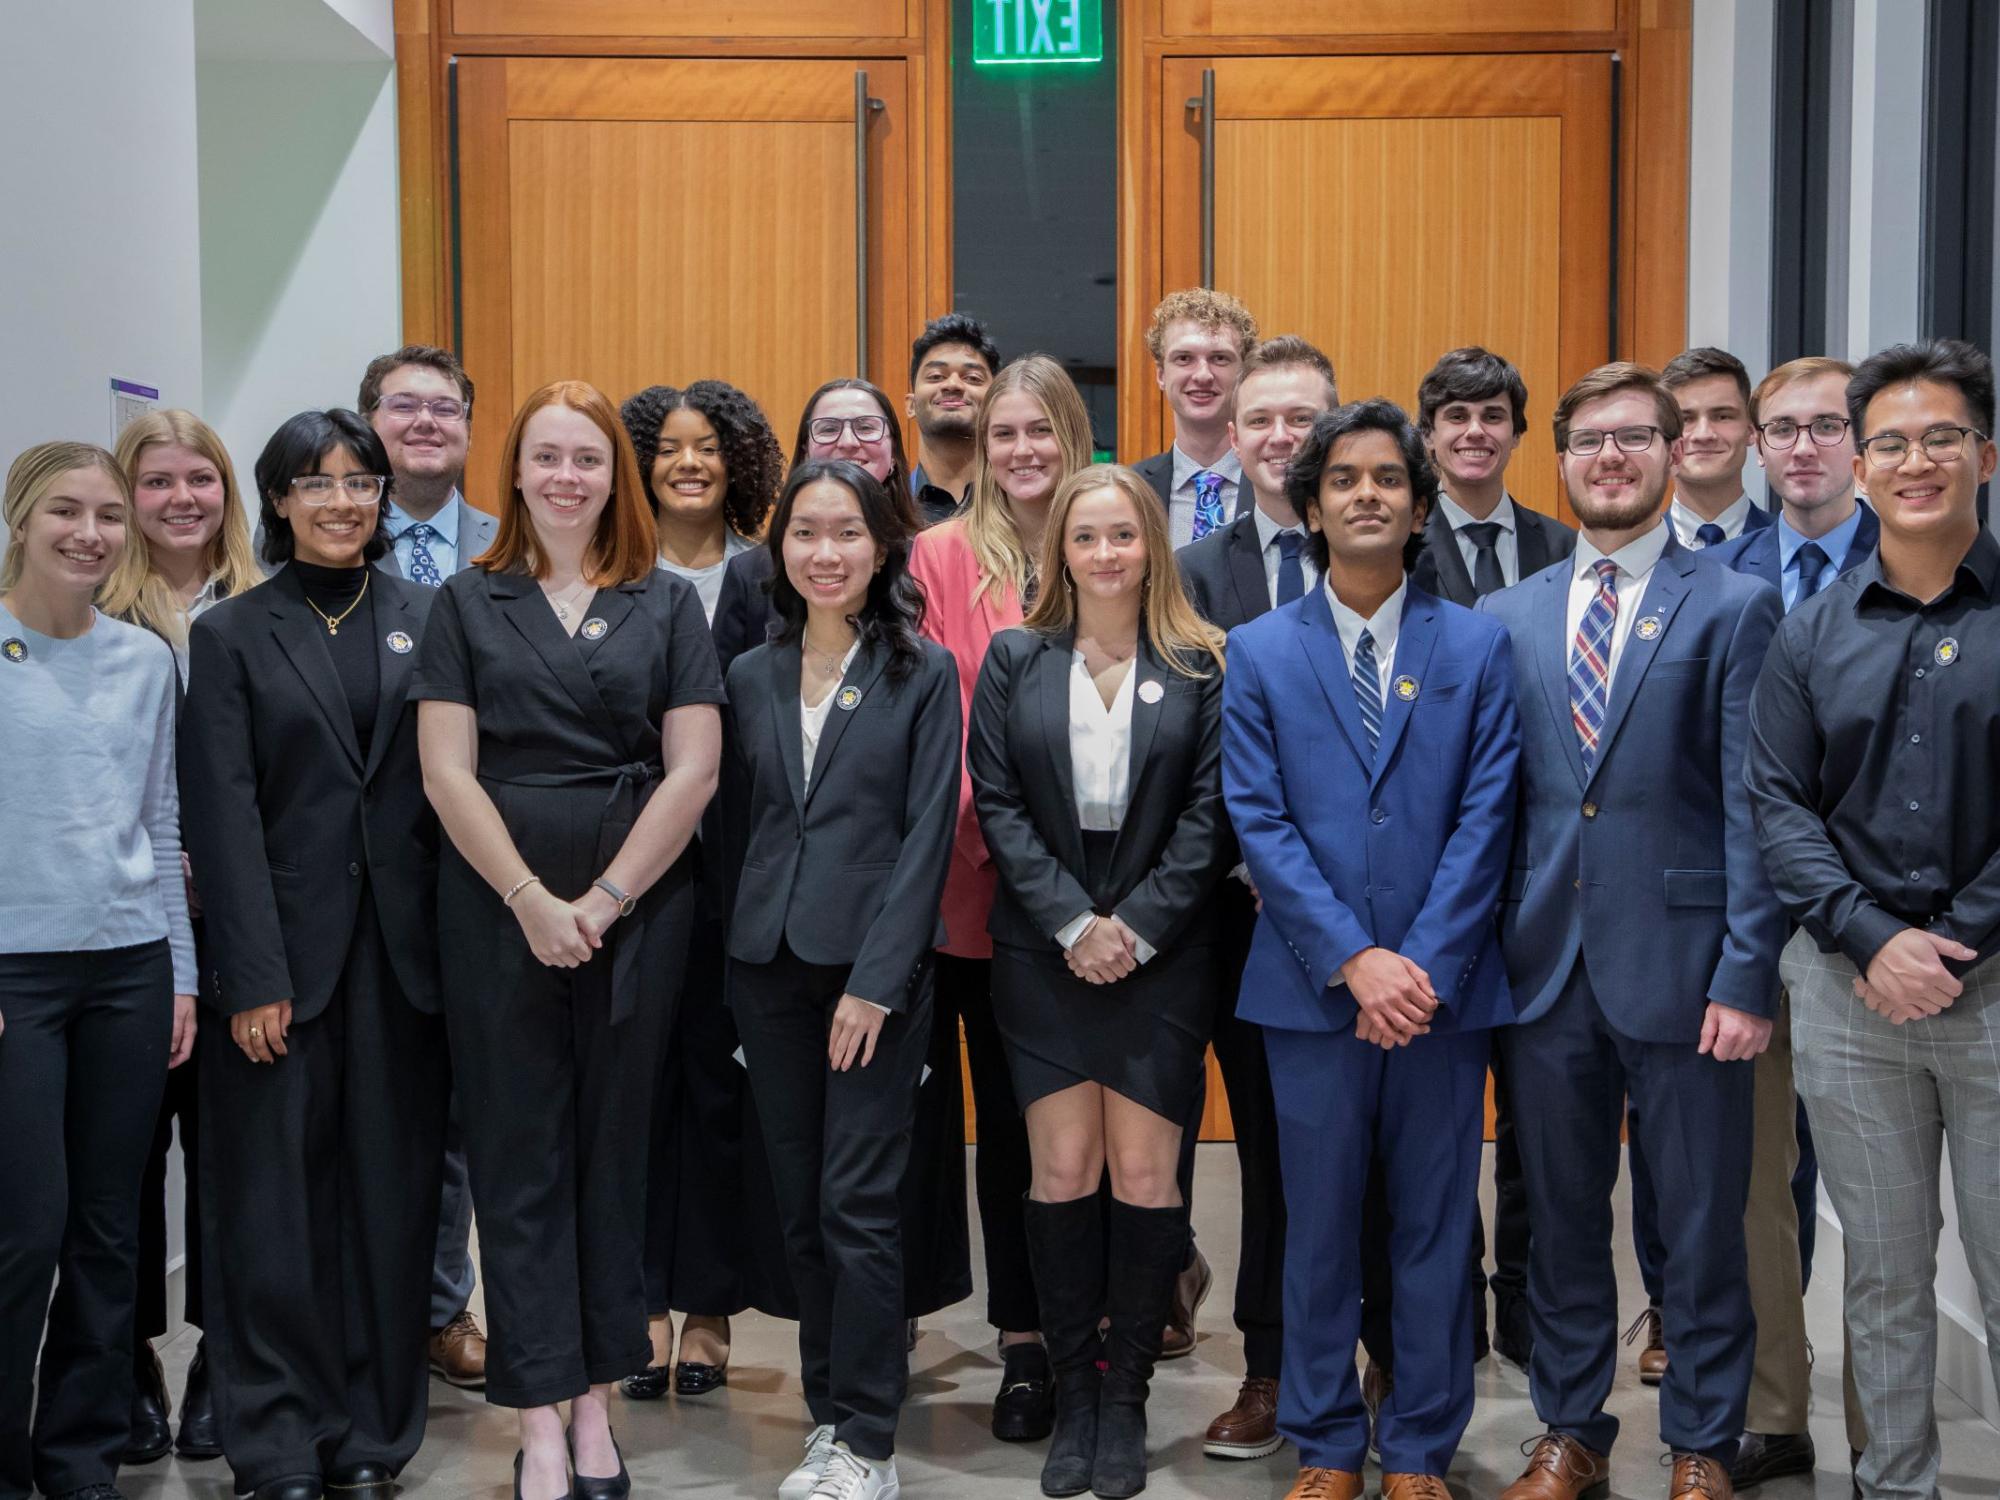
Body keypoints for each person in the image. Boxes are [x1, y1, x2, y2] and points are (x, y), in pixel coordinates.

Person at [1480, 362, 1785, 1500]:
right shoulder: (1502, 617)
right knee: (1556, 1220)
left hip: (1689, 967)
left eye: (1632, 438)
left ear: (1672, 453)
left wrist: (1745, 969)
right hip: (1542, 967)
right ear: (1556, 462)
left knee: (1698, 1226)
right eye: (1588, 441)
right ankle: (1569, 1432)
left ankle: (1700, 1441)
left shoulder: (1733, 604)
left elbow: (1755, 805)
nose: (1609, 458)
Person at [414, 380, 722, 1500]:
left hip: (635, 912)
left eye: (586, 459)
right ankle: (539, 1419)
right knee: (517, 1158)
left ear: (615, 478)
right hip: (496, 911)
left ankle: (598, 1405)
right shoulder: (464, 600)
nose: (565, 477)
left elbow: (693, 768)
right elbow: (445, 771)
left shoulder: (664, 604)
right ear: (515, 473)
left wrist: (599, 901)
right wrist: (531, 902)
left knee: (610, 1158)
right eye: (545, 457)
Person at [1221, 400, 1521, 1500]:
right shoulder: (1255, 652)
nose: (1363, 495)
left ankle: (1419, 1447)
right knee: (1317, 1228)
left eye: (1386, 479)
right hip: (1309, 996)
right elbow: (1257, 821)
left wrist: (1416, 966)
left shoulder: (1476, 645)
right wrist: (1353, 960)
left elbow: (1488, 817)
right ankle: (1326, 1440)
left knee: (1436, 1227)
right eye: (1340, 478)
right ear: (1309, 506)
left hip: (1441, 997)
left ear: (1416, 505)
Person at [177, 410, 449, 1500]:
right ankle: (280, 1444)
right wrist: (250, 975)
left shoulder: (432, 619)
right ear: (279, 499)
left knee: (392, 1209)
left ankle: (373, 1440)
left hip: (404, 966)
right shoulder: (232, 633)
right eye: (315, 482)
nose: (342, 500)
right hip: (280, 972)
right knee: (273, 1215)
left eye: (360, 480)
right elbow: (224, 814)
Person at [1748, 338, 2000, 1500]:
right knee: (1882, 1275)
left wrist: (1950, 942)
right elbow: (1777, 804)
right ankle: (1892, 1485)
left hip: (1991, 993)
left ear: (1982, 457)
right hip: (1849, 997)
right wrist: (1868, 937)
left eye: (1940, 437)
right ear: (1858, 465)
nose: (1914, 460)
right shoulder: (1807, 630)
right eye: (1889, 441)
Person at [968, 462, 1232, 1498]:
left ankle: (1123, 1401)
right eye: (1086, 537)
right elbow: (996, 802)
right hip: (1044, 951)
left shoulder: (1201, 661)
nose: (1105, 553)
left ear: (1150, 547)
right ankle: (1071, 1392)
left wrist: (1134, 928)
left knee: (1145, 1180)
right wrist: (1075, 922)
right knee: (1061, 1174)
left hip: (1161, 957)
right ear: (1060, 552)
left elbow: (1210, 819)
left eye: (1123, 535)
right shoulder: (1013, 658)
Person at [724, 458, 961, 1500]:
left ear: (881, 548)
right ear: (780, 548)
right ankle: (828, 1418)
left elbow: (926, 842)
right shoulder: (749, 673)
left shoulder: (923, 671)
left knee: (856, 1204)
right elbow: (739, 832)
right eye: (806, 534)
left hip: (871, 980)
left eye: (848, 534)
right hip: (766, 971)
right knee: (797, 1209)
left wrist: (877, 983)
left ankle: (869, 1437)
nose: (826, 554)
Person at [0, 441, 196, 1500]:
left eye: (108, 516)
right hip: (14, 978)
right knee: (24, 1234)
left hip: (127, 968)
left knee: (109, 1233)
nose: (88, 533)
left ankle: (80, 1460)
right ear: (20, 519)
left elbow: (160, 826)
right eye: (65, 512)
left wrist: (184, 974)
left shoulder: (142, 660)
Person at [907, 353, 1096, 1441]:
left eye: (1042, 430)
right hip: (976, 898)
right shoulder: (934, 560)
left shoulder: (1109, 542)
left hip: (1103, 909)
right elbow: (935, 738)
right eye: (1004, 433)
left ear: (1073, 437)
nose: (1024, 452)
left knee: (1099, 1136)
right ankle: (1024, 1345)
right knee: (1013, 1137)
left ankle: (1103, 1331)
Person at [1707, 356, 1878, 1491]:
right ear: (1753, 449)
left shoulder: (1921, 568)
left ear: (1859, 445)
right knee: (1753, 1185)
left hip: (1876, 933)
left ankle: (1885, 1428)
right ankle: (1777, 1405)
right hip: (1750, 929)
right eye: (1784, 429)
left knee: (1878, 1198)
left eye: (1827, 426)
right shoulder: (1712, 577)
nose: (1803, 447)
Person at [1175, 334, 1337, 1461]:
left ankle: (1385, 1359)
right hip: (1234, 921)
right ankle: (1271, 1370)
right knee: (1273, 1154)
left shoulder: (1388, 552)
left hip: (1376, 921)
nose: (1278, 437)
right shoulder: (1188, 576)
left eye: (1300, 419)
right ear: (1229, 440)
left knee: (1376, 1151)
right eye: (1260, 418)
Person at [616, 380, 785, 1398]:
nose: (687, 463)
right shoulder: (615, 578)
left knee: (722, 1088)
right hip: (633, 866)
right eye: (668, 448)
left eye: (707, 448)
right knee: (635, 1086)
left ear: (735, 465)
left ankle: (710, 1304)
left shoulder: (770, 578)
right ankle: (638, 1298)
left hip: (746, 867)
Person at [1408, 345, 1573, 1376]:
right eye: (1453, 417)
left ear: (1516, 432)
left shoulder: (1563, 546)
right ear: (1427, 437)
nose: (1473, 433)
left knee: (1536, 1120)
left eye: (1491, 416)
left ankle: (1525, 1311)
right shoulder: (1388, 546)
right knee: (1433, 1122)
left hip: (1545, 877)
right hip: (1429, 875)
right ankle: (1446, 1317)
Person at [101, 408, 262, 1466]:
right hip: (123, 936)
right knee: (117, 1167)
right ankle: (123, 1362)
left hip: (241, 931)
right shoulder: (91, 614)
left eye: (198, 480)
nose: (180, 501)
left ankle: (219, 1362)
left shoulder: (260, 610)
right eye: (155, 483)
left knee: (229, 1161)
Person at [358, 342, 495, 1391]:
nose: (423, 424)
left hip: (499, 859)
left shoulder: (508, 547)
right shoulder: (328, 544)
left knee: (462, 1103)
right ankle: (366, 1304)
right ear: (368, 423)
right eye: (401, 408)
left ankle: (445, 1309)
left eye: (443, 408)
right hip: (369, 866)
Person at [712, 379, 923, 673]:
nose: (848, 442)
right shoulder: (750, 572)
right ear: (806, 452)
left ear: (894, 454)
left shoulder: (929, 557)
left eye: (866, 427)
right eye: (828, 429)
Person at [1131, 288, 1258, 542]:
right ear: (1161, 375)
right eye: (1184, 358)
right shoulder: (1130, 490)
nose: (1202, 375)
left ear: (1244, 373)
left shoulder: (1274, 483)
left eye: (1220, 358)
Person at [1661, 347, 1772, 550]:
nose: (1704, 435)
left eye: (1722, 416)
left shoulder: (1789, 548)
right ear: (1664, 435)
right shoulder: (1636, 550)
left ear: (1751, 431)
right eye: (1686, 419)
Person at [907, 312, 1001, 521]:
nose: (953, 385)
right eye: (936, 376)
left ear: (995, 405)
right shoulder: (886, 512)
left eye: (972, 378)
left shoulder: (1019, 507)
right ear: (911, 405)